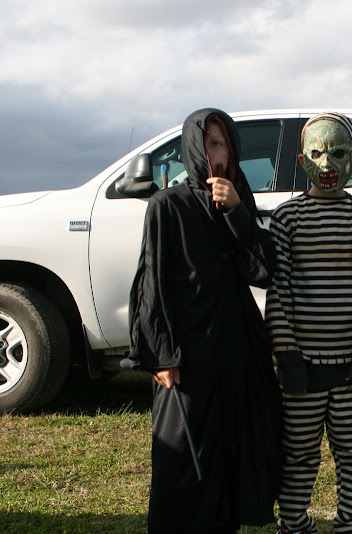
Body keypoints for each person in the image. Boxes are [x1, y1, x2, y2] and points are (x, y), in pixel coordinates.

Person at [129, 108, 283, 534]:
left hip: (235, 349)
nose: (216, 153)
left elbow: (262, 270)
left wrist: (236, 213)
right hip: (188, 352)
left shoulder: (237, 200)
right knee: (183, 454)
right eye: (209, 143)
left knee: (231, 451)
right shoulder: (167, 205)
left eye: (223, 144)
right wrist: (162, 354)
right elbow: (152, 282)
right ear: (193, 149)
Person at [265, 112, 352, 534]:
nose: (327, 164)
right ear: (301, 159)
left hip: (351, 365)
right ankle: (294, 522)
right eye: (316, 154)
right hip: (304, 365)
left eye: (338, 154)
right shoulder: (287, 218)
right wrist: (287, 355)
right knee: (298, 452)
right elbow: (279, 290)